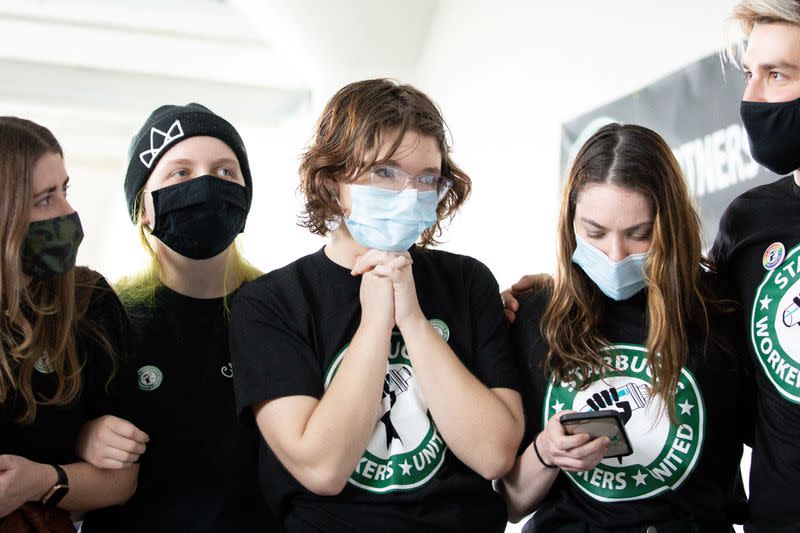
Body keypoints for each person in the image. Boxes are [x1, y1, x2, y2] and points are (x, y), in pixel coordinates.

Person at [229, 78, 524, 532]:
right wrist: (374, 324)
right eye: (384, 172)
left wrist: (412, 318)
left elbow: (494, 455)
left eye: (426, 179)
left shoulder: (467, 282)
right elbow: (322, 469)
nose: (408, 194)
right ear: (332, 181)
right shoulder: (270, 304)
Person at [498, 123, 751, 532]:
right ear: (570, 224)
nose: (615, 256)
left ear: (672, 226)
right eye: (594, 233)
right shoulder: (531, 316)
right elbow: (509, 503)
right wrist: (547, 452)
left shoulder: (720, 309)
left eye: (640, 235)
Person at [80, 104, 272, 532]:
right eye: (180, 173)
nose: (205, 184)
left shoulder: (278, 308)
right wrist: (84, 436)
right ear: (142, 206)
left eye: (225, 172)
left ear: (244, 199)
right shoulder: (107, 315)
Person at [0, 117, 137, 529]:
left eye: (64, 190)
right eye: (44, 199)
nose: (68, 212)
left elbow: (123, 478)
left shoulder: (88, 301)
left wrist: (43, 480)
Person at [706, 2, 800, 530]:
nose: (751, 98)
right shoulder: (747, 223)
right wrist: (558, 292)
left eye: (777, 75)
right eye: (749, 74)